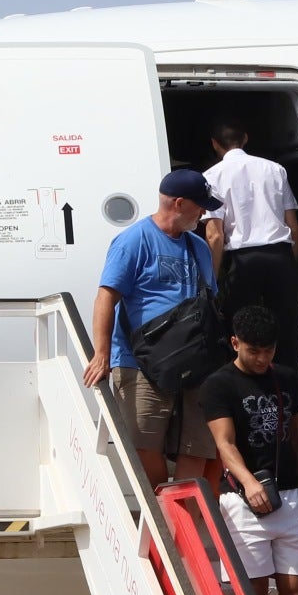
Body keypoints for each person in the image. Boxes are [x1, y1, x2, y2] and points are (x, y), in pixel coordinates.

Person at [83, 169, 227, 488]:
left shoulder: (199, 247)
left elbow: (212, 302)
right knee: (145, 446)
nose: (203, 213)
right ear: (178, 203)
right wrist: (102, 354)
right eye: (199, 205)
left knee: (198, 446)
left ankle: (180, 523)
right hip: (140, 364)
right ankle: (164, 513)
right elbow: (105, 297)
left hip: (197, 364)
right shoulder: (133, 240)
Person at [199, 305, 298, 595]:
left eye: (269, 350)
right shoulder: (218, 385)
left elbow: (295, 434)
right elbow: (225, 443)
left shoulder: (288, 377)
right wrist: (249, 482)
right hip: (242, 497)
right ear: (235, 343)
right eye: (254, 351)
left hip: (290, 495)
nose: (263, 358)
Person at [203, 120, 298, 394]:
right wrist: (288, 264)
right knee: (286, 336)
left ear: (215, 144)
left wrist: (211, 281)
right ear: (245, 138)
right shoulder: (275, 169)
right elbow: (293, 225)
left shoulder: (212, 176)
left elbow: (215, 235)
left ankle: (248, 399)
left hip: (242, 262)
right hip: (279, 255)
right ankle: (289, 404)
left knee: (242, 338)